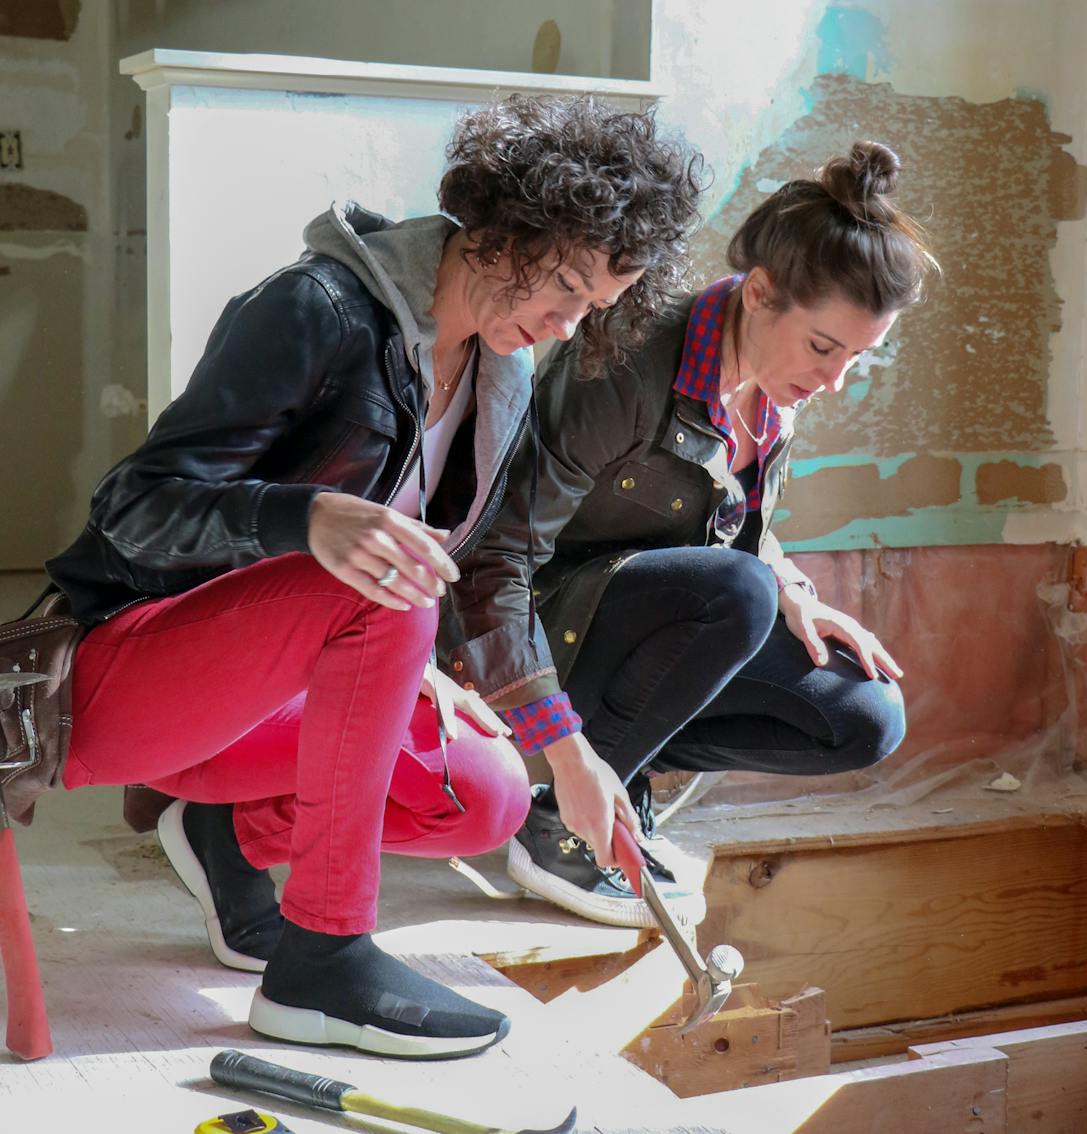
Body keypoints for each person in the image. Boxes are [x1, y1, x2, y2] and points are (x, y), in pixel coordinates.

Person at [40, 95, 703, 1057]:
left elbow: (482, 575)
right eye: (564, 283)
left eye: (592, 308)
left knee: (485, 792)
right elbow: (132, 509)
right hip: (123, 680)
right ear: (503, 224)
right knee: (388, 569)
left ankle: (227, 837)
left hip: (271, 703)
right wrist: (306, 518)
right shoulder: (315, 308)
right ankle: (322, 958)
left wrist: (571, 752)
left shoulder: (497, 374)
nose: (566, 325)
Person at [453, 141, 938, 927]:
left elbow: (723, 520)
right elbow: (501, 553)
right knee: (737, 592)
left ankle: (618, 771)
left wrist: (792, 586)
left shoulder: (776, 392)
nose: (833, 381)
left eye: (859, 359)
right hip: (528, 628)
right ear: (759, 292)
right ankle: (561, 826)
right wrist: (557, 734)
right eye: (823, 347)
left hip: (648, 623)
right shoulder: (631, 359)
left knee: (862, 716)